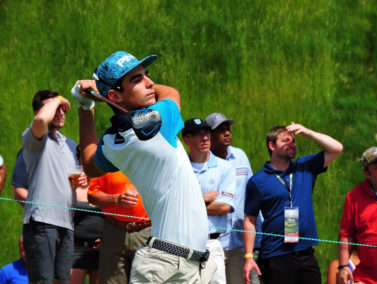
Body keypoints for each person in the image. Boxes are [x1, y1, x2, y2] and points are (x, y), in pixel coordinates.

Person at [70, 50, 212, 283]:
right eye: (137, 80)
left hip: (178, 260)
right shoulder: (157, 121)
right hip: (169, 263)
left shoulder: (112, 140)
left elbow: (89, 165)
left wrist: (85, 106)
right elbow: (171, 93)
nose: (150, 83)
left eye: (146, 75)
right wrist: (98, 91)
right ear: (115, 96)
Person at [243, 123, 343, 284]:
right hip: (276, 256)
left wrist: (309, 132)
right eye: (285, 140)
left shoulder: (305, 167)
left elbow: (336, 148)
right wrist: (248, 257)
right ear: (272, 145)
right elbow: (249, 220)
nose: (292, 144)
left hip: (306, 253)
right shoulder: (258, 181)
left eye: (294, 141)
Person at [22, 90, 87, 284]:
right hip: (42, 222)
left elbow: (71, 179)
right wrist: (59, 99)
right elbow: (42, 120)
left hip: (66, 224)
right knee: (43, 281)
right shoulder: (33, 138)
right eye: (55, 109)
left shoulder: (69, 145)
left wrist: (81, 181)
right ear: (37, 111)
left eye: (63, 109)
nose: (60, 112)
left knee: (62, 282)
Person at [182, 118, 237, 283]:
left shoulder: (225, 168)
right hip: (183, 243)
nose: (205, 138)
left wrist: (187, 203)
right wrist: (204, 198)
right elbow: (172, 205)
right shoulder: (179, 168)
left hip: (211, 243)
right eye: (199, 135)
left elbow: (225, 206)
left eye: (206, 133)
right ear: (186, 140)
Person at [205, 112, 256, 284]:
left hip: (240, 243)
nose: (227, 133)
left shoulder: (240, 156)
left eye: (228, 129)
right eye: (221, 130)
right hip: (213, 241)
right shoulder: (202, 162)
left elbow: (252, 194)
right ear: (209, 136)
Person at [338, 147, 377, 284]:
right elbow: (346, 234)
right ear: (367, 173)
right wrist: (343, 267)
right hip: (369, 278)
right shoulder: (354, 197)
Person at [87, 171, 151, 284]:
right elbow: (92, 195)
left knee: (148, 280)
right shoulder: (108, 156)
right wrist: (117, 199)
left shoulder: (156, 156)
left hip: (147, 232)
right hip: (114, 231)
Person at [70, 145, 103, 284]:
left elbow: (114, 215)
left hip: (101, 249)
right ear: (78, 159)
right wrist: (71, 187)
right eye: (83, 158)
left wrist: (107, 239)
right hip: (76, 248)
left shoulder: (104, 181)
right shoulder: (73, 182)